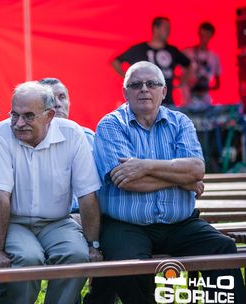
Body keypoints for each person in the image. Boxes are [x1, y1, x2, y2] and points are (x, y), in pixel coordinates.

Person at [92, 61, 245, 304]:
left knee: (221, 248)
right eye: (136, 84)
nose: (144, 89)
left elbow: (197, 169)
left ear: (163, 92)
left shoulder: (180, 122)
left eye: (152, 84)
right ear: (125, 92)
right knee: (128, 263)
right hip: (127, 224)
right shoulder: (111, 125)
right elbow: (126, 181)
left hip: (180, 223)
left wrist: (145, 166)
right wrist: (181, 180)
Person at [0, 81, 101, 304]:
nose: (19, 123)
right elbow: (0, 197)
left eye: (29, 116)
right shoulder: (1, 133)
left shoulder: (73, 134)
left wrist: (92, 244)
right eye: (14, 115)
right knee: (28, 258)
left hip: (57, 221)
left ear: (50, 116)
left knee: (77, 256)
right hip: (15, 222)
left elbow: (88, 195)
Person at [39, 77, 95, 214]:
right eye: (51, 99)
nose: (57, 104)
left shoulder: (88, 138)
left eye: (62, 97)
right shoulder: (28, 139)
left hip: (82, 214)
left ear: (69, 102)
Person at [111, 16, 191, 106]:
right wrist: (129, 79)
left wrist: (182, 82)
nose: (168, 31)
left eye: (169, 28)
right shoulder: (140, 49)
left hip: (167, 101)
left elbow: (189, 65)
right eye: (165, 28)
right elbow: (116, 62)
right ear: (156, 28)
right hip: (145, 103)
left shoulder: (172, 50)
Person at [182, 22, 221, 107]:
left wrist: (205, 86)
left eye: (207, 36)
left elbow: (217, 84)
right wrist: (188, 81)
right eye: (202, 35)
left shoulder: (214, 57)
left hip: (205, 100)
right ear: (199, 34)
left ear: (211, 36)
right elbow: (175, 74)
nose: (204, 39)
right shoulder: (187, 53)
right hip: (188, 99)